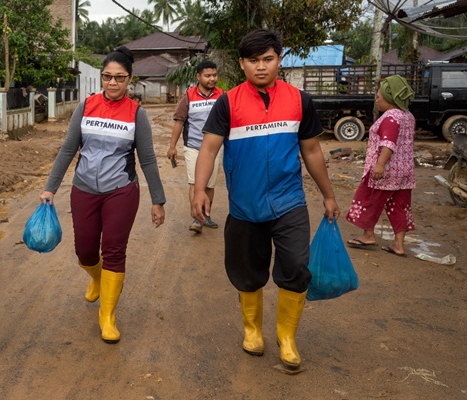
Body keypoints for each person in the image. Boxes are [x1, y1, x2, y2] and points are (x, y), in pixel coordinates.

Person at [191, 29, 340, 371]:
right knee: (247, 272)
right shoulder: (227, 103)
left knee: (297, 268)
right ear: (242, 64)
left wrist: (328, 195)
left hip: (289, 202)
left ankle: (287, 339)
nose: (261, 67)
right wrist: (199, 189)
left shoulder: (299, 100)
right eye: (253, 61)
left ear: (279, 60)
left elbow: (312, 150)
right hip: (246, 206)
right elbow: (209, 148)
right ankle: (253, 330)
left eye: (268, 59)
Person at [40, 46, 166, 344]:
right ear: (101, 77)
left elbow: (147, 159)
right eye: (107, 77)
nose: (112, 83)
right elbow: (69, 149)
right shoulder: (85, 107)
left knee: (113, 250)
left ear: (129, 79)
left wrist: (157, 200)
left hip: (121, 191)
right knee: (84, 250)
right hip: (83, 189)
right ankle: (96, 277)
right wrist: (50, 187)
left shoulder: (138, 114)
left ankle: (107, 316)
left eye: (119, 78)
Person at [346, 75, 416, 257]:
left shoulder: (390, 118)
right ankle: (399, 245)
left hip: (385, 172)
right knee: (400, 205)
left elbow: (389, 143)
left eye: (379, 97)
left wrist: (379, 165)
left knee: (369, 201)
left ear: (390, 98)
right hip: (404, 173)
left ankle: (368, 236)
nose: (376, 100)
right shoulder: (408, 116)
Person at [166, 60, 225, 233]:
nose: (212, 79)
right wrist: (172, 146)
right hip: (193, 146)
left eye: (214, 75)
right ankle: (196, 219)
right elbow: (179, 122)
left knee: (210, 185)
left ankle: (206, 215)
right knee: (195, 183)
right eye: (207, 76)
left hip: (215, 148)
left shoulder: (222, 95)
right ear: (198, 76)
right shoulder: (189, 96)